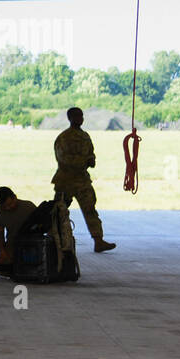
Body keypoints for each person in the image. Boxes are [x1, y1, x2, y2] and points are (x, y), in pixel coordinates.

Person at [52, 107, 116, 252]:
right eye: (77, 116)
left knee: (90, 210)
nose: (81, 118)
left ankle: (98, 241)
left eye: (82, 116)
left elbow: (91, 153)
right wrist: (84, 161)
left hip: (82, 181)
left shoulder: (85, 136)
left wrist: (91, 160)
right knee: (59, 211)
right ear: (70, 118)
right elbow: (63, 159)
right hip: (66, 181)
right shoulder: (64, 138)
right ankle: (54, 238)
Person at [0, 186, 38, 267]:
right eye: (5, 207)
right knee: (4, 268)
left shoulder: (29, 206)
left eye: (10, 204)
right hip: (12, 244)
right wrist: (2, 252)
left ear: (15, 197)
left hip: (32, 243)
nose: (9, 208)